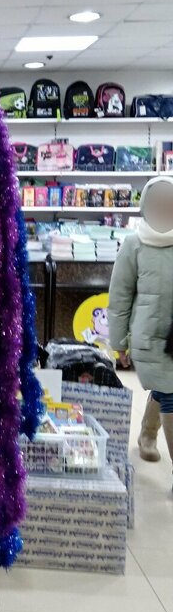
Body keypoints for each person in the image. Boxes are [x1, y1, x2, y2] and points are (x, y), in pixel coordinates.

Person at [109, 176, 173, 470]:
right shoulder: (134, 244)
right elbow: (120, 296)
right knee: (170, 395)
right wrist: (119, 343)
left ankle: (147, 433)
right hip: (149, 339)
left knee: (166, 388)